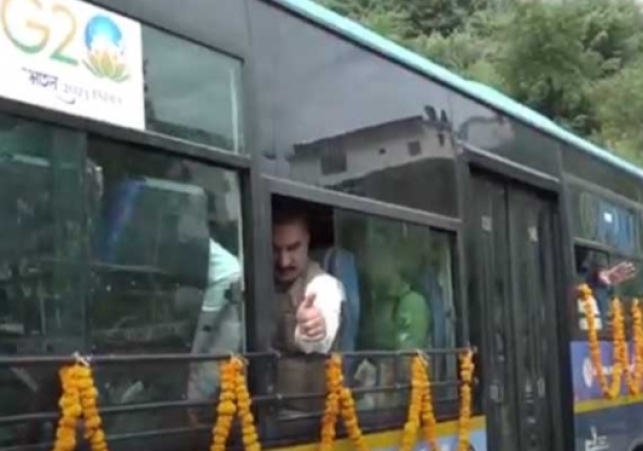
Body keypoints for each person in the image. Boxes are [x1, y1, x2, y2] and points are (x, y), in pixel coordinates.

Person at [271, 203, 345, 414]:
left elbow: (322, 334)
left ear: (307, 242)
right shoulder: (259, 279)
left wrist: (313, 328)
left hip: (303, 422)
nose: (284, 261)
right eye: (276, 249)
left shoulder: (324, 285)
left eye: (293, 248)